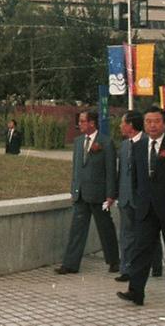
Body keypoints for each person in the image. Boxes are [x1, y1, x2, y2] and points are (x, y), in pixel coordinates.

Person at [118, 106, 165, 306]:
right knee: (141, 249)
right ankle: (136, 291)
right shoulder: (138, 146)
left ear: (164, 123)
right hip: (146, 208)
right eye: (148, 121)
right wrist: (138, 200)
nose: (152, 125)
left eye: (156, 121)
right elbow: (135, 179)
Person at [55, 110, 120, 275]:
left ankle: (113, 261)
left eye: (83, 121)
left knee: (105, 228)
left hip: (99, 194)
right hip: (81, 194)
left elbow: (111, 170)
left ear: (92, 123)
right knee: (77, 229)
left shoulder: (105, 142)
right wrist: (73, 189)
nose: (80, 124)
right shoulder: (77, 142)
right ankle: (70, 264)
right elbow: (77, 168)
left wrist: (111, 194)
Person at [115, 111, 163, 282]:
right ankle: (126, 269)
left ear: (130, 125)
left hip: (144, 199)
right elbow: (121, 172)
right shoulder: (124, 145)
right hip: (126, 197)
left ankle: (156, 265)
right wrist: (115, 194)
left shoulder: (147, 143)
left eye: (122, 123)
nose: (120, 126)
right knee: (126, 234)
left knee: (150, 234)